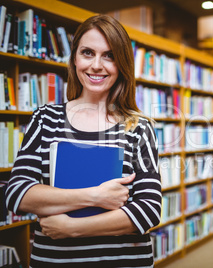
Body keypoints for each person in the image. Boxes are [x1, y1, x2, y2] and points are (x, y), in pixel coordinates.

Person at [6, 14, 161, 267]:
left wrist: (73, 228)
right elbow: (17, 194)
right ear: (75, 58)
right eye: (88, 53)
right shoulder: (45, 119)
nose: (97, 65)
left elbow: (149, 210)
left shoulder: (139, 128)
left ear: (122, 63)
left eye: (109, 55)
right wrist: (96, 197)